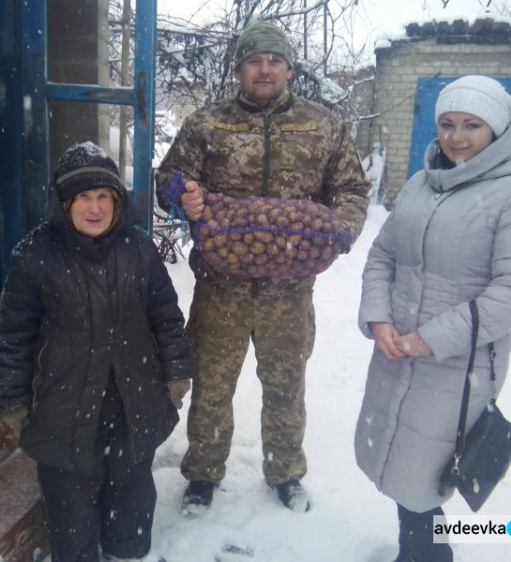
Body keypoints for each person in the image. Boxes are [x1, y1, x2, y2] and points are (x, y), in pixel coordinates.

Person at [156, 20, 370, 514]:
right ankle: (204, 474)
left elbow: (352, 191)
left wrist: (341, 230)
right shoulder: (208, 123)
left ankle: (285, 472)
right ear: (239, 69)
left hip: (289, 292)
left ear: (290, 68)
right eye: (255, 60)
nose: (265, 68)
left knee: (285, 385)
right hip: (220, 287)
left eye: (275, 60)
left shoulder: (324, 125)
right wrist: (178, 195)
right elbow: (170, 176)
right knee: (211, 383)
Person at [354, 75, 511, 561]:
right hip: (397, 349)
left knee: (425, 470)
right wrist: (379, 318)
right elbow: (384, 254)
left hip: (456, 364)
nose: (456, 136)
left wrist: (431, 339)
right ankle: (418, 552)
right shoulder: (421, 184)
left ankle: (428, 556)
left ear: (497, 130)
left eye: (471, 125)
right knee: (401, 464)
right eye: (446, 124)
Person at [0, 142, 194, 562]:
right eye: (83, 197)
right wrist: (11, 398)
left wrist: (176, 372)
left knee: (131, 485)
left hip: (132, 397)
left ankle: (126, 550)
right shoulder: (35, 254)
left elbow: (166, 316)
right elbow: (14, 334)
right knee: (70, 500)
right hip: (62, 406)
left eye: (104, 196)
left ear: (117, 201)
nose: (95, 208)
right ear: (64, 203)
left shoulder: (139, 249)